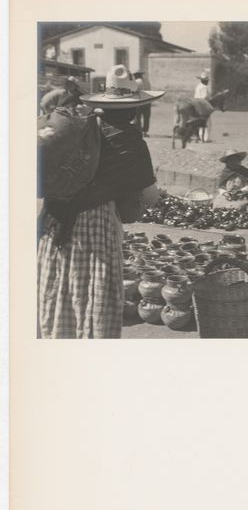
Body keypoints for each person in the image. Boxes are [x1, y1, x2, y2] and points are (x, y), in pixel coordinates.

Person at [38, 64, 165, 339]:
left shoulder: (80, 128)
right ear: (134, 108)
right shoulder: (131, 141)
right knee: (94, 294)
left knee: (60, 288)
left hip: (55, 222)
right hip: (97, 226)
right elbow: (149, 196)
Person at [133, 69, 152, 136]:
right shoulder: (147, 81)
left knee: (138, 117)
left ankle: (139, 131)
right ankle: (145, 131)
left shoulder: (136, 82)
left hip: (139, 101)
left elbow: (134, 91)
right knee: (146, 117)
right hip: (147, 100)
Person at [194, 70, 211, 142]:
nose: (207, 81)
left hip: (196, 103)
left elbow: (195, 96)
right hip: (202, 105)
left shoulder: (198, 86)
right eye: (206, 80)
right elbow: (204, 97)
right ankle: (205, 138)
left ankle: (200, 136)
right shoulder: (204, 87)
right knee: (207, 122)